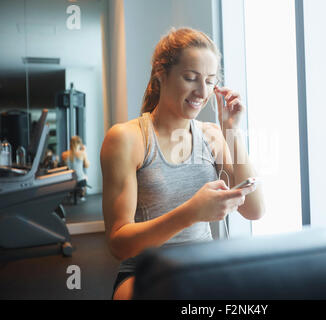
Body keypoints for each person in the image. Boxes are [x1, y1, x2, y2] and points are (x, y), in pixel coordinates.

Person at [100, 27, 265, 300]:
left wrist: (232, 132)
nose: (202, 91)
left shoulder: (212, 134)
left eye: (211, 81)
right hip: (146, 272)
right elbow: (119, 244)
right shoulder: (128, 138)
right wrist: (191, 212)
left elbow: (255, 209)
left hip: (202, 268)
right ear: (160, 73)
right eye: (191, 78)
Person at [62, 135, 90, 200]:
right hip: (80, 181)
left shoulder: (64, 154)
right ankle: (82, 194)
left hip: (68, 181)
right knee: (85, 176)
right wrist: (85, 151)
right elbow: (86, 166)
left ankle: (70, 193)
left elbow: (64, 167)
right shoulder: (82, 153)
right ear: (80, 144)